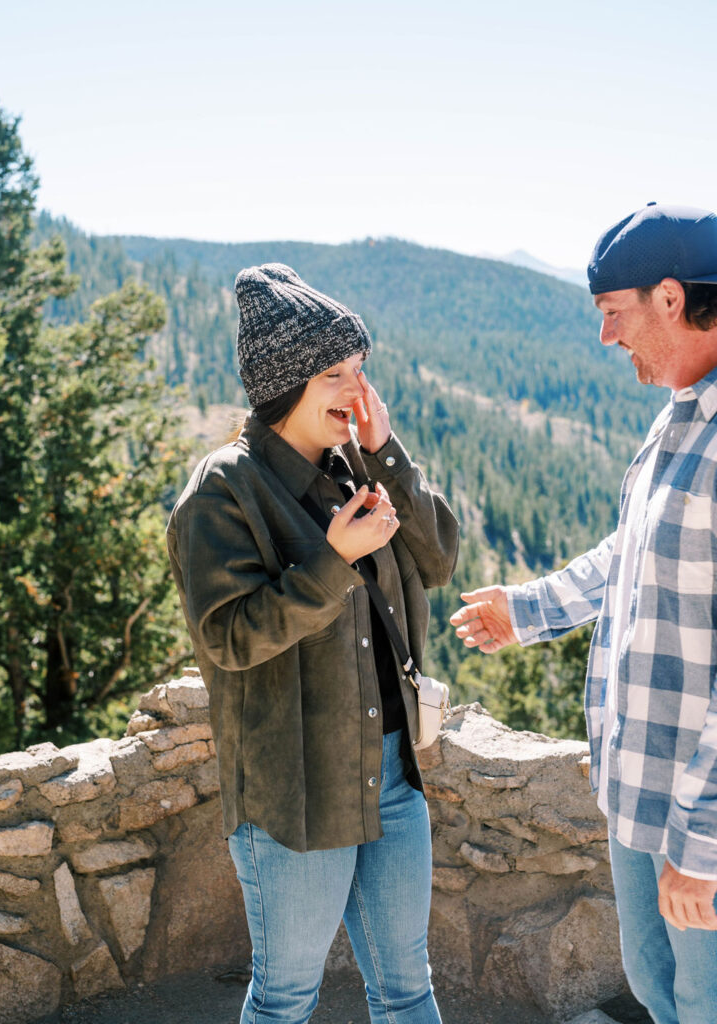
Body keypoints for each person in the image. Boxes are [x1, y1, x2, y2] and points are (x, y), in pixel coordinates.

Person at [167, 263, 458, 1024]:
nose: (357, 389)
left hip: (392, 779)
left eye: (360, 367)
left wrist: (389, 451)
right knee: (286, 997)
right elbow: (229, 638)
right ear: (284, 383)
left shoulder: (358, 463)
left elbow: (438, 560)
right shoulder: (221, 491)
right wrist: (333, 563)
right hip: (293, 796)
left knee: (408, 990)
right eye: (335, 371)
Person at [450, 203, 717, 1024]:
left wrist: (703, 846)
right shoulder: (679, 417)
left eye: (613, 315)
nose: (607, 339)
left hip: (694, 809)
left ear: (670, 299)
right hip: (640, 789)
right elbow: (629, 553)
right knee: (660, 992)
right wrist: (526, 610)